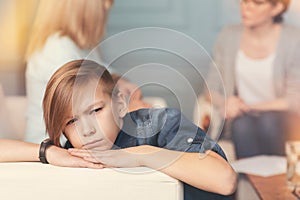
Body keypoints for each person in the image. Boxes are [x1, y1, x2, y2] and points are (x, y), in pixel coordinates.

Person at [39, 59, 236, 199]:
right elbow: (7, 151)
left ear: (120, 104)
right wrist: (45, 151)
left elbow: (225, 180)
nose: (87, 130)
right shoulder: (70, 153)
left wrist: (142, 155)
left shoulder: (161, 123)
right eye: (71, 121)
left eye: (96, 110)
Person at [25, 0, 149, 144]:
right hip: (57, 145)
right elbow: (81, 105)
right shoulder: (58, 49)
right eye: (103, 3)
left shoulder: (80, 45)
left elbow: (100, 71)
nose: (106, 7)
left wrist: (117, 79)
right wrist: (130, 111)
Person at [210, 0, 300, 158]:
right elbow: (211, 88)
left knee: (268, 122)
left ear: (277, 7)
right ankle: (248, 181)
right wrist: (226, 102)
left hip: (282, 119)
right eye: (244, 1)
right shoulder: (228, 35)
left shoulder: (294, 39)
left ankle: (276, 180)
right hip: (241, 119)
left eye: (257, 3)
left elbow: (295, 98)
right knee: (242, 125)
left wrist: (248, 107)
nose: (246, 7)